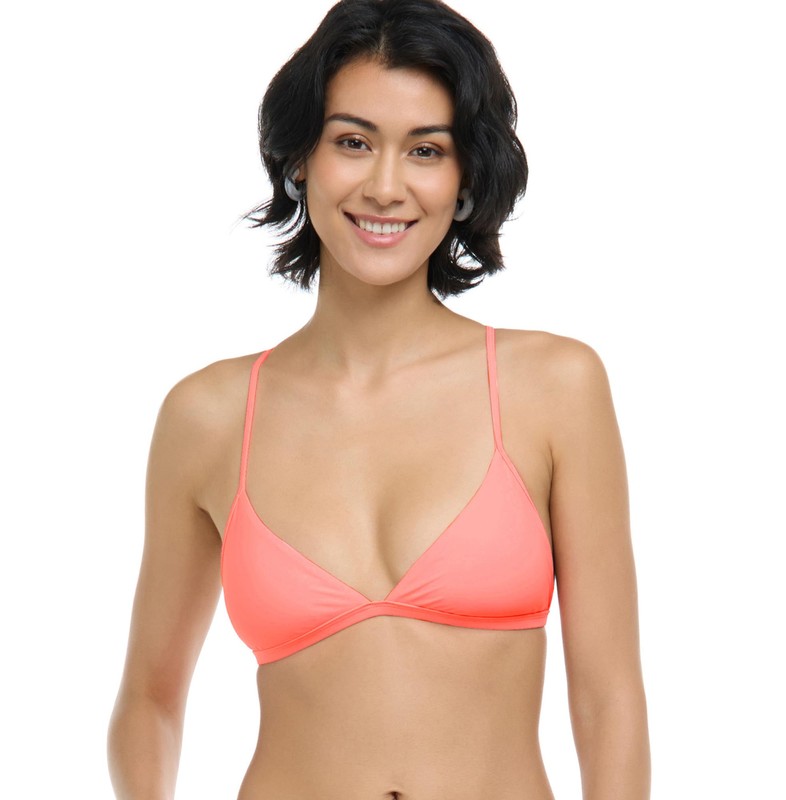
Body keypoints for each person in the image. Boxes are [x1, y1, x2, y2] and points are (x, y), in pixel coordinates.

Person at [107, 0, 650, 797]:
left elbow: (610, 701)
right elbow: (150, 699)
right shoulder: (209, 415)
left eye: (426, 150)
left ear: (465, 178)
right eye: (353, 142)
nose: (385, 187)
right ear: (301, 158)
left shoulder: (553, 387)